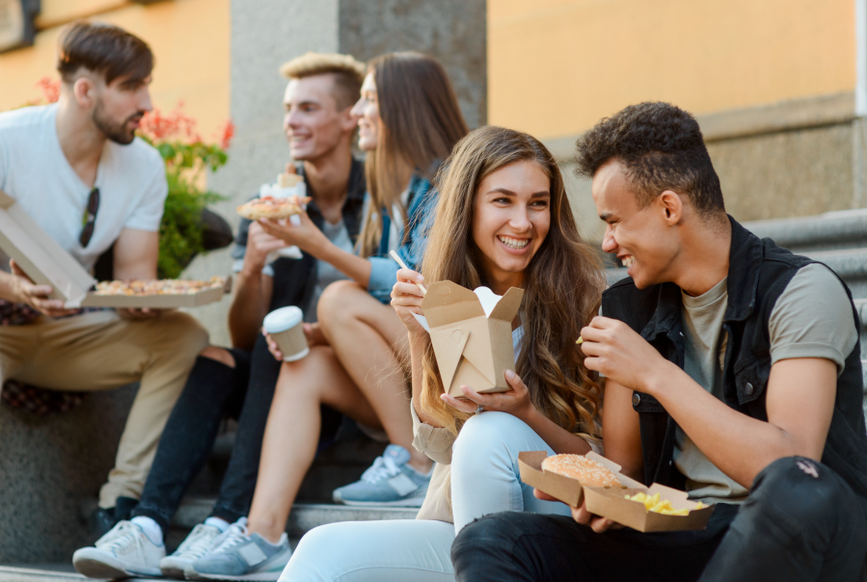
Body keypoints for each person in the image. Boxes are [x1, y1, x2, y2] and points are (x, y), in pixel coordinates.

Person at [451, 102, 867, 582]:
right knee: (492, 541)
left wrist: (654, 373)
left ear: (670, 208)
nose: (607, 243)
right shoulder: (629, 308)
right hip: (682, 530)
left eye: (613, 221)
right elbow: (623, 470)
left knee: (795, 487)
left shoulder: (800, 290)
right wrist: (588, 485)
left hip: (800, 540)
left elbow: (790, 462)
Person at [0, 21, 210, 582]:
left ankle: (120, 504)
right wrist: (11, 286)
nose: (146, 103)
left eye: (147, 86)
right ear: (86, 91)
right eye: (132, 87)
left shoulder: (144, 166)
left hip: (62, 325)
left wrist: (155, 298)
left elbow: (133, 277)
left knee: (182, 337)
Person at [71, 51, 368, 579]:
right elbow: (246, 335)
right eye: (287, 109)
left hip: (353, 384)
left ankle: (228, 518)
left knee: (287, 353)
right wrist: (252, 269)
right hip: (282, 370)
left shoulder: (378, 200)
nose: (290, 122)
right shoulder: (269, 202)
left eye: (307, 108)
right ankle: (147, 525)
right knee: (216, 357)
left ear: (349, 117)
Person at [277, 125, 605, 581]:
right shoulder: (449, 292)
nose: (523, 223)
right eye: (502, 201)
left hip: (557, 526)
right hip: (459, 522)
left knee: (488, 432)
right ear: (466, 208)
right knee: (322, 552)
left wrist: (526, 415)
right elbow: (437, 441)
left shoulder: (586, 301)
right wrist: (416, 332)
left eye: (538, 203)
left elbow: (607, 464)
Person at [187, 52, 469, 581]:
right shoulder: (393, 193)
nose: (358, 113)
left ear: (402, 109)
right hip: (410, 368)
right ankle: (263, 532)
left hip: (455, 365)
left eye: (368, 100)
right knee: (304, 363)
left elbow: (426, 291)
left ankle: (415, 458)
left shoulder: (448, 184)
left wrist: (318, 247)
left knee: (338, 297)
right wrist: (326, 335)